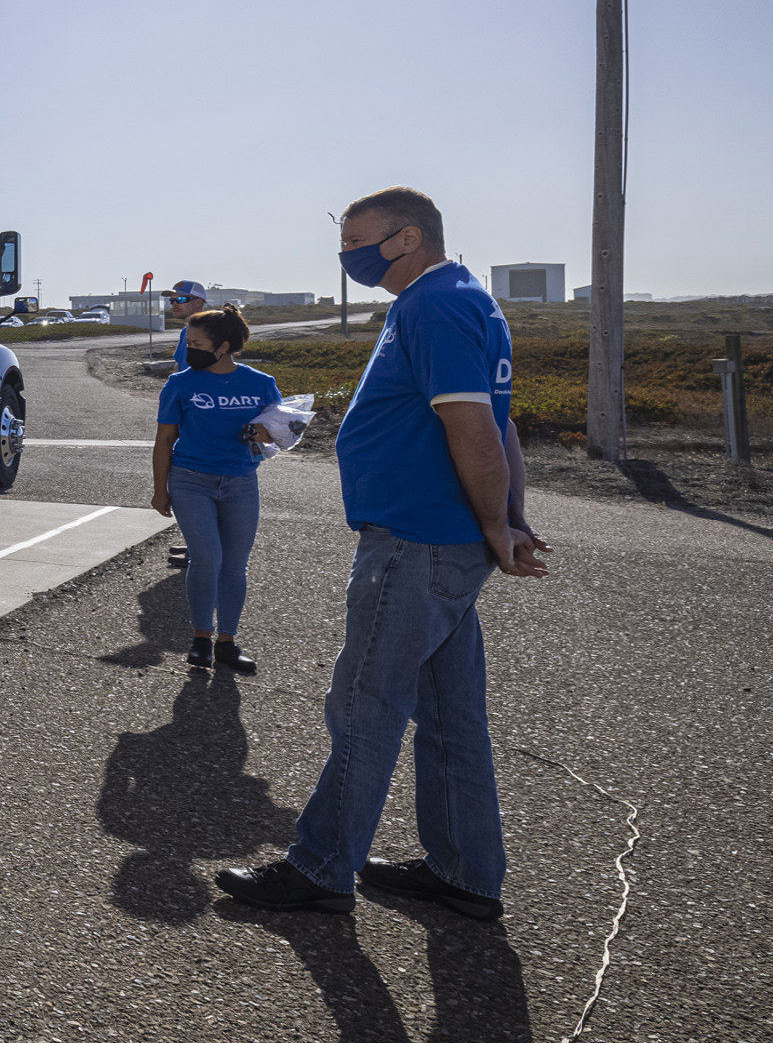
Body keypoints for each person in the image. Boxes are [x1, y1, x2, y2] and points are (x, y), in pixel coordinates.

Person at [218, 188, 551, 921]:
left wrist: (501, 525)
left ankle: (320, 864)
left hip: (417, 540)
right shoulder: (462, 299)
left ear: (406, 239)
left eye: (356, 242)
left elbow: (474, 426)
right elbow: (504, 423)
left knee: (366, 702)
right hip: (443, 539)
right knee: (451, 715)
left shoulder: (433, 305)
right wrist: (507, 520)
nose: (347, 258)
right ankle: (464, 871)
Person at [149, 306, 279, 675]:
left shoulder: (260, 383)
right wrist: (161, 490)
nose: (189, 350)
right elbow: (164, 440)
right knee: (206, 559)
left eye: (196, 343)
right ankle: (201, 639)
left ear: (222, 347)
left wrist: (264, 434)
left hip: (241, 482)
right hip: (191, 480)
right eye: (188, 342)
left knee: (235, 566)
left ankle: (227, 643)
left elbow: (282, 431)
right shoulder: (180, 384)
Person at [159, 280, 210, 569]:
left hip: (198, 409)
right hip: (186, 406)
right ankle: (196, 543)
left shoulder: (209, 332)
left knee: (195, 477)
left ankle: (201, 551)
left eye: (182, 298)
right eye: (172, 299)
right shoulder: (185, 332)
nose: (174, 303)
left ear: (200, 302)